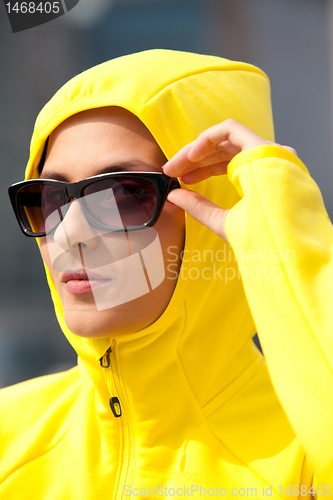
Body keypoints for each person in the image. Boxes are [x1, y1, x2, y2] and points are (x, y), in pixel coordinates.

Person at [2, 49, 332, 498]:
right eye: (50, 198)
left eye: (121, 194)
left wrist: (288, 246)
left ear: (220, 208)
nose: (68, 234)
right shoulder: (9, 437)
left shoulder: (307, 456)